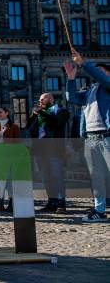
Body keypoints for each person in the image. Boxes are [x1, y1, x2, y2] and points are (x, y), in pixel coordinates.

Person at [64, 49, 109, 222]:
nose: (97, 74)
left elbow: (103, 78)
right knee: (95, 176)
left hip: (107, 136)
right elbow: (72, 98)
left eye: (101, 71)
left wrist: (83, 63)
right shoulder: (90, 91)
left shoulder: (108, 85)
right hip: (91, 138)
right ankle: (99, 210)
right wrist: (71, 77)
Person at [26, 93, 69, 214]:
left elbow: (56, 123)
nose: (40, 102)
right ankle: (51, 202)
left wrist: (41, 113)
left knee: (57, 176)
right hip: (40, 149)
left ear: (50, 99)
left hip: (54, 149)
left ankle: (61, 203)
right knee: (45, 177)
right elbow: (30, 129)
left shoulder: (60, 111)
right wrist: (33, 116)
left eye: (42, 99)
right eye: (39, 100)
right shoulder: (39, 114)